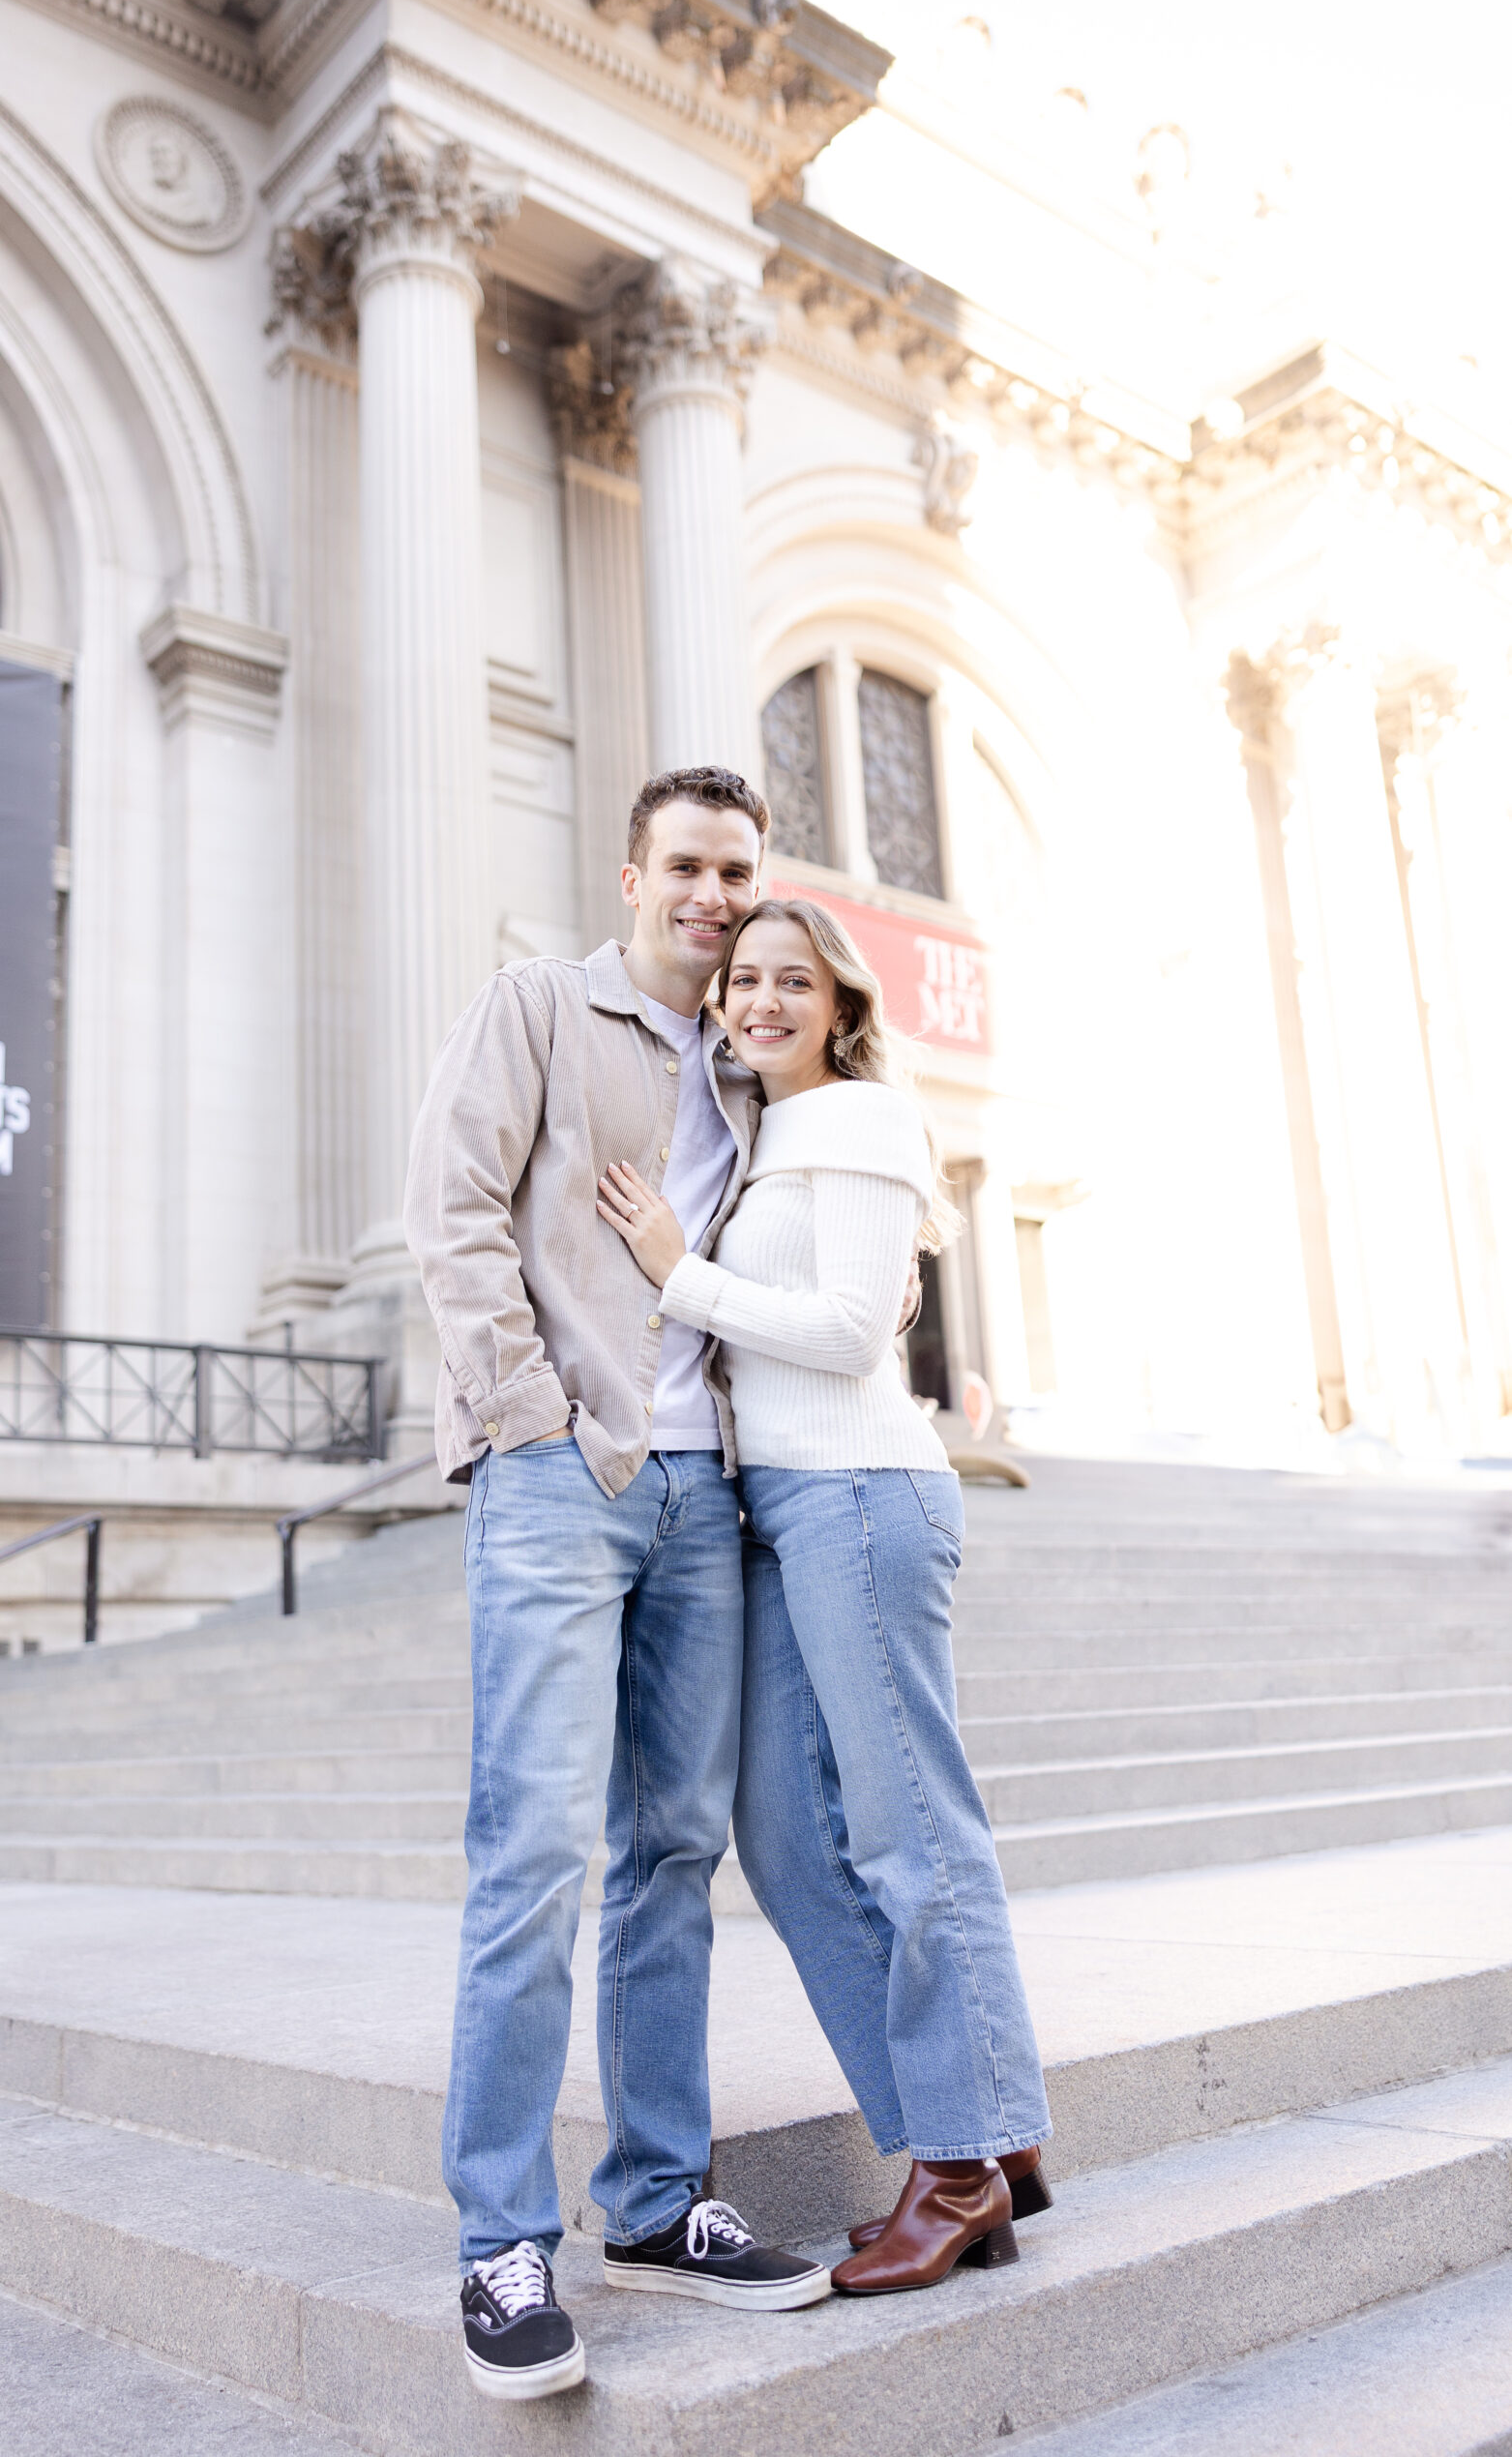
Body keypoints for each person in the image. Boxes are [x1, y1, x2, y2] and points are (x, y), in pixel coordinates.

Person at [404, 769, 831, 2405]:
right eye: (690, 866)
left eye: (739, 869)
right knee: (530, 1857)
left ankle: (656, 2203)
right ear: (634, 874)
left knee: (672, 1854)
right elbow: (453, 1208)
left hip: (706, 1496)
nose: (716, 894)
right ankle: (501, 2239)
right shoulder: (538, 1006)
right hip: (563, 1476)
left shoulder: (748, 1061)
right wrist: (532, 1419)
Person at [598, 893, 1052, 2296]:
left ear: (843, 1003)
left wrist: (679, 1277)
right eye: (745, 979)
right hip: (775, 1511)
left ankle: (961, 2166)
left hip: (860, 1490)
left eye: (795, 981)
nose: (763, 1001)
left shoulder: (857, 1118)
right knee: (788, 1839)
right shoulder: (758, 1131)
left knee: (912, 1832)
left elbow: (854, 1334)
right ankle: (986, 2129)